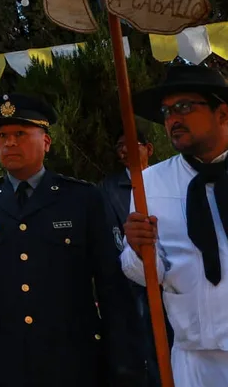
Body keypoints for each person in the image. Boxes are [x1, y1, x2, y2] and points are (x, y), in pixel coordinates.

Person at [0, 94, 140, 387]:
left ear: (46, 142)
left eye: (20, 133)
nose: (9, 142)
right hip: (6, 357)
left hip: (72, 354)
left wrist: (122, 353)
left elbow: (110, 283)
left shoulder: (82, 198)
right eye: (3, 135)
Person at [123, 64, 228, 385]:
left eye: (183, 107)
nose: (172, 120)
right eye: (166, 112)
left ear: (222, 114)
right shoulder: (149, 184)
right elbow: (146, 275)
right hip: (196, 360)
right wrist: (138, 250)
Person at [100, 127, 163, 386]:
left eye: (130, 144)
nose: (124, 150)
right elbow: (110, 230)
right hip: (129, 278)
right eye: (119, 146)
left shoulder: (166, 180)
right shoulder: (109, 188)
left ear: (149, 148)